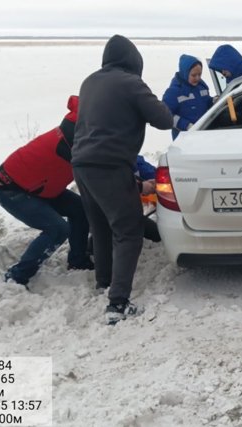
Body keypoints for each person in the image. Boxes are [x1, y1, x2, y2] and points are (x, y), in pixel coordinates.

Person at [71, 35, 172, 325]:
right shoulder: (131, 83)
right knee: (128, 231)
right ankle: (118, 303)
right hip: (110, 165)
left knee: (101, 225)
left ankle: (103, 282)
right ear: (134, 62)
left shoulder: (90, 81)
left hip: (81, 164)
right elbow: (163, 119)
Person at [0, 96, 93, 287]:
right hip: (11, 188)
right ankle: (17, 277)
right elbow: (98, 174)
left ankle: (78, 261)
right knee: (57, 228)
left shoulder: (82, 123)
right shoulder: (76, 140)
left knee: (80, 209)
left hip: (40, 187)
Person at [162, 55, 213, 140]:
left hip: (202, 133)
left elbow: (205, 102)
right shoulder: (174, 92)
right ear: (185, 73)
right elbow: (166, 114)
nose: (197, 78)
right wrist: (186, 125)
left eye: (199, 74)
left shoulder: (201, 86)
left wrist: (213, 101)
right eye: (193, 75)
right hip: (183, 138)